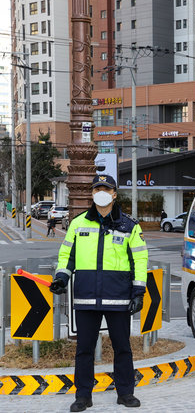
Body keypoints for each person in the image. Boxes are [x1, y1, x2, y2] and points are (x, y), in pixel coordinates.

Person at [49, 175, 148, 412]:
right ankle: (83, 396)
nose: (101, 192)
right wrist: (62, 278)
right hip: (86, 296)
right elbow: (67, 256)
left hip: (119, 297)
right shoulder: (78, 223)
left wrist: (138, 292)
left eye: (106, 188)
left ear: (114, 194)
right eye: (97, 188)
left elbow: (140, 259)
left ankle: (125, 393)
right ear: (93, 194)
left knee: (122, 347)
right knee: (84, 349)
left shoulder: (129, 225)